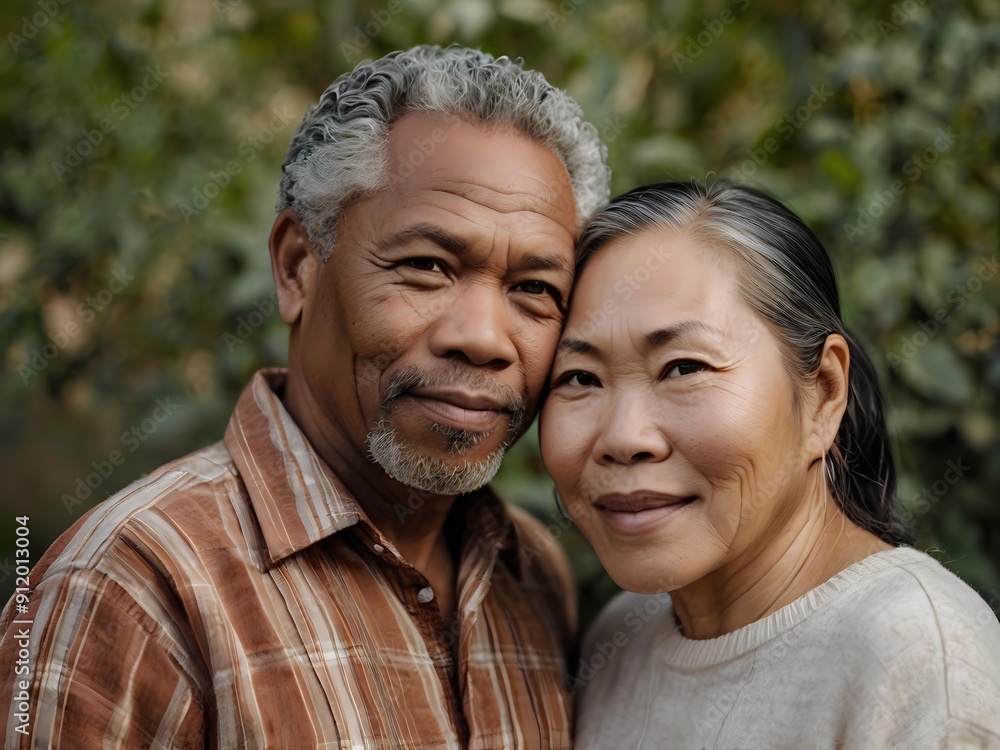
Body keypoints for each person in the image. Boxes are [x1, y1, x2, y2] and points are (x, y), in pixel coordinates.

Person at [0, 45, 610, 748]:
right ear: (297, 268)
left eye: (534, 289)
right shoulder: (129, 588)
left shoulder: (532, 574)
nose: (484, 338)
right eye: (426, 267)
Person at [540, 180, 1000, 749]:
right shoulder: (620, 640)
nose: (624, 438)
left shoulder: (913, 651)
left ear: (823, 394)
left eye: (685, 368)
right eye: (579, 378)